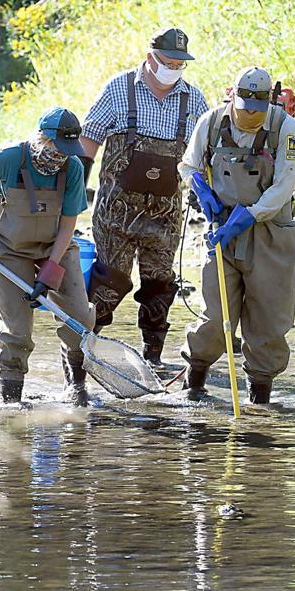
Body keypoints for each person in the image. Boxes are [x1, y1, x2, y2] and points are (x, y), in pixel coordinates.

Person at [78, 27, 209, 366]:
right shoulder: (119, 89)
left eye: (181, 64)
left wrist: (205, 191)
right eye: (168, 62)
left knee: (160, 287)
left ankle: (154, 360)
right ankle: (83, 352)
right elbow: (88, 141)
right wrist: (73, 191)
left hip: (165, 217)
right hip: (114, 215)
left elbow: (207, 153)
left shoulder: (194, 100)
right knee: (109, 284)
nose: (174, 69)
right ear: (151, 57)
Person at [177, 66, 295, 403]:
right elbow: (188, 165)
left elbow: (283, 187)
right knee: (216, 319)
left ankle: (259, 401)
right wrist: (200, 188)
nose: (249, 111)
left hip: (270, 235)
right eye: (243, 103)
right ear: (232, 95)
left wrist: (248, 216)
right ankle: (193, 386)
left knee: (267, 326)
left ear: (269, 101)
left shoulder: (286, 131)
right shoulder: (212, 122)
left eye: (256, 105)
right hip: (222, 231)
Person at [0, 107, 95, 406]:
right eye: (56, 149)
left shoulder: (72, 168)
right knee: (17, 331)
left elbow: (69, 224)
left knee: (80, 318)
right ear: (42, 139)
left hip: (55, 247)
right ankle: (11, 401)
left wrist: (49, 272)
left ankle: (76, 386)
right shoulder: (11, 156)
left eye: (67, 150)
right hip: (9, 248)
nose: (60, 156)